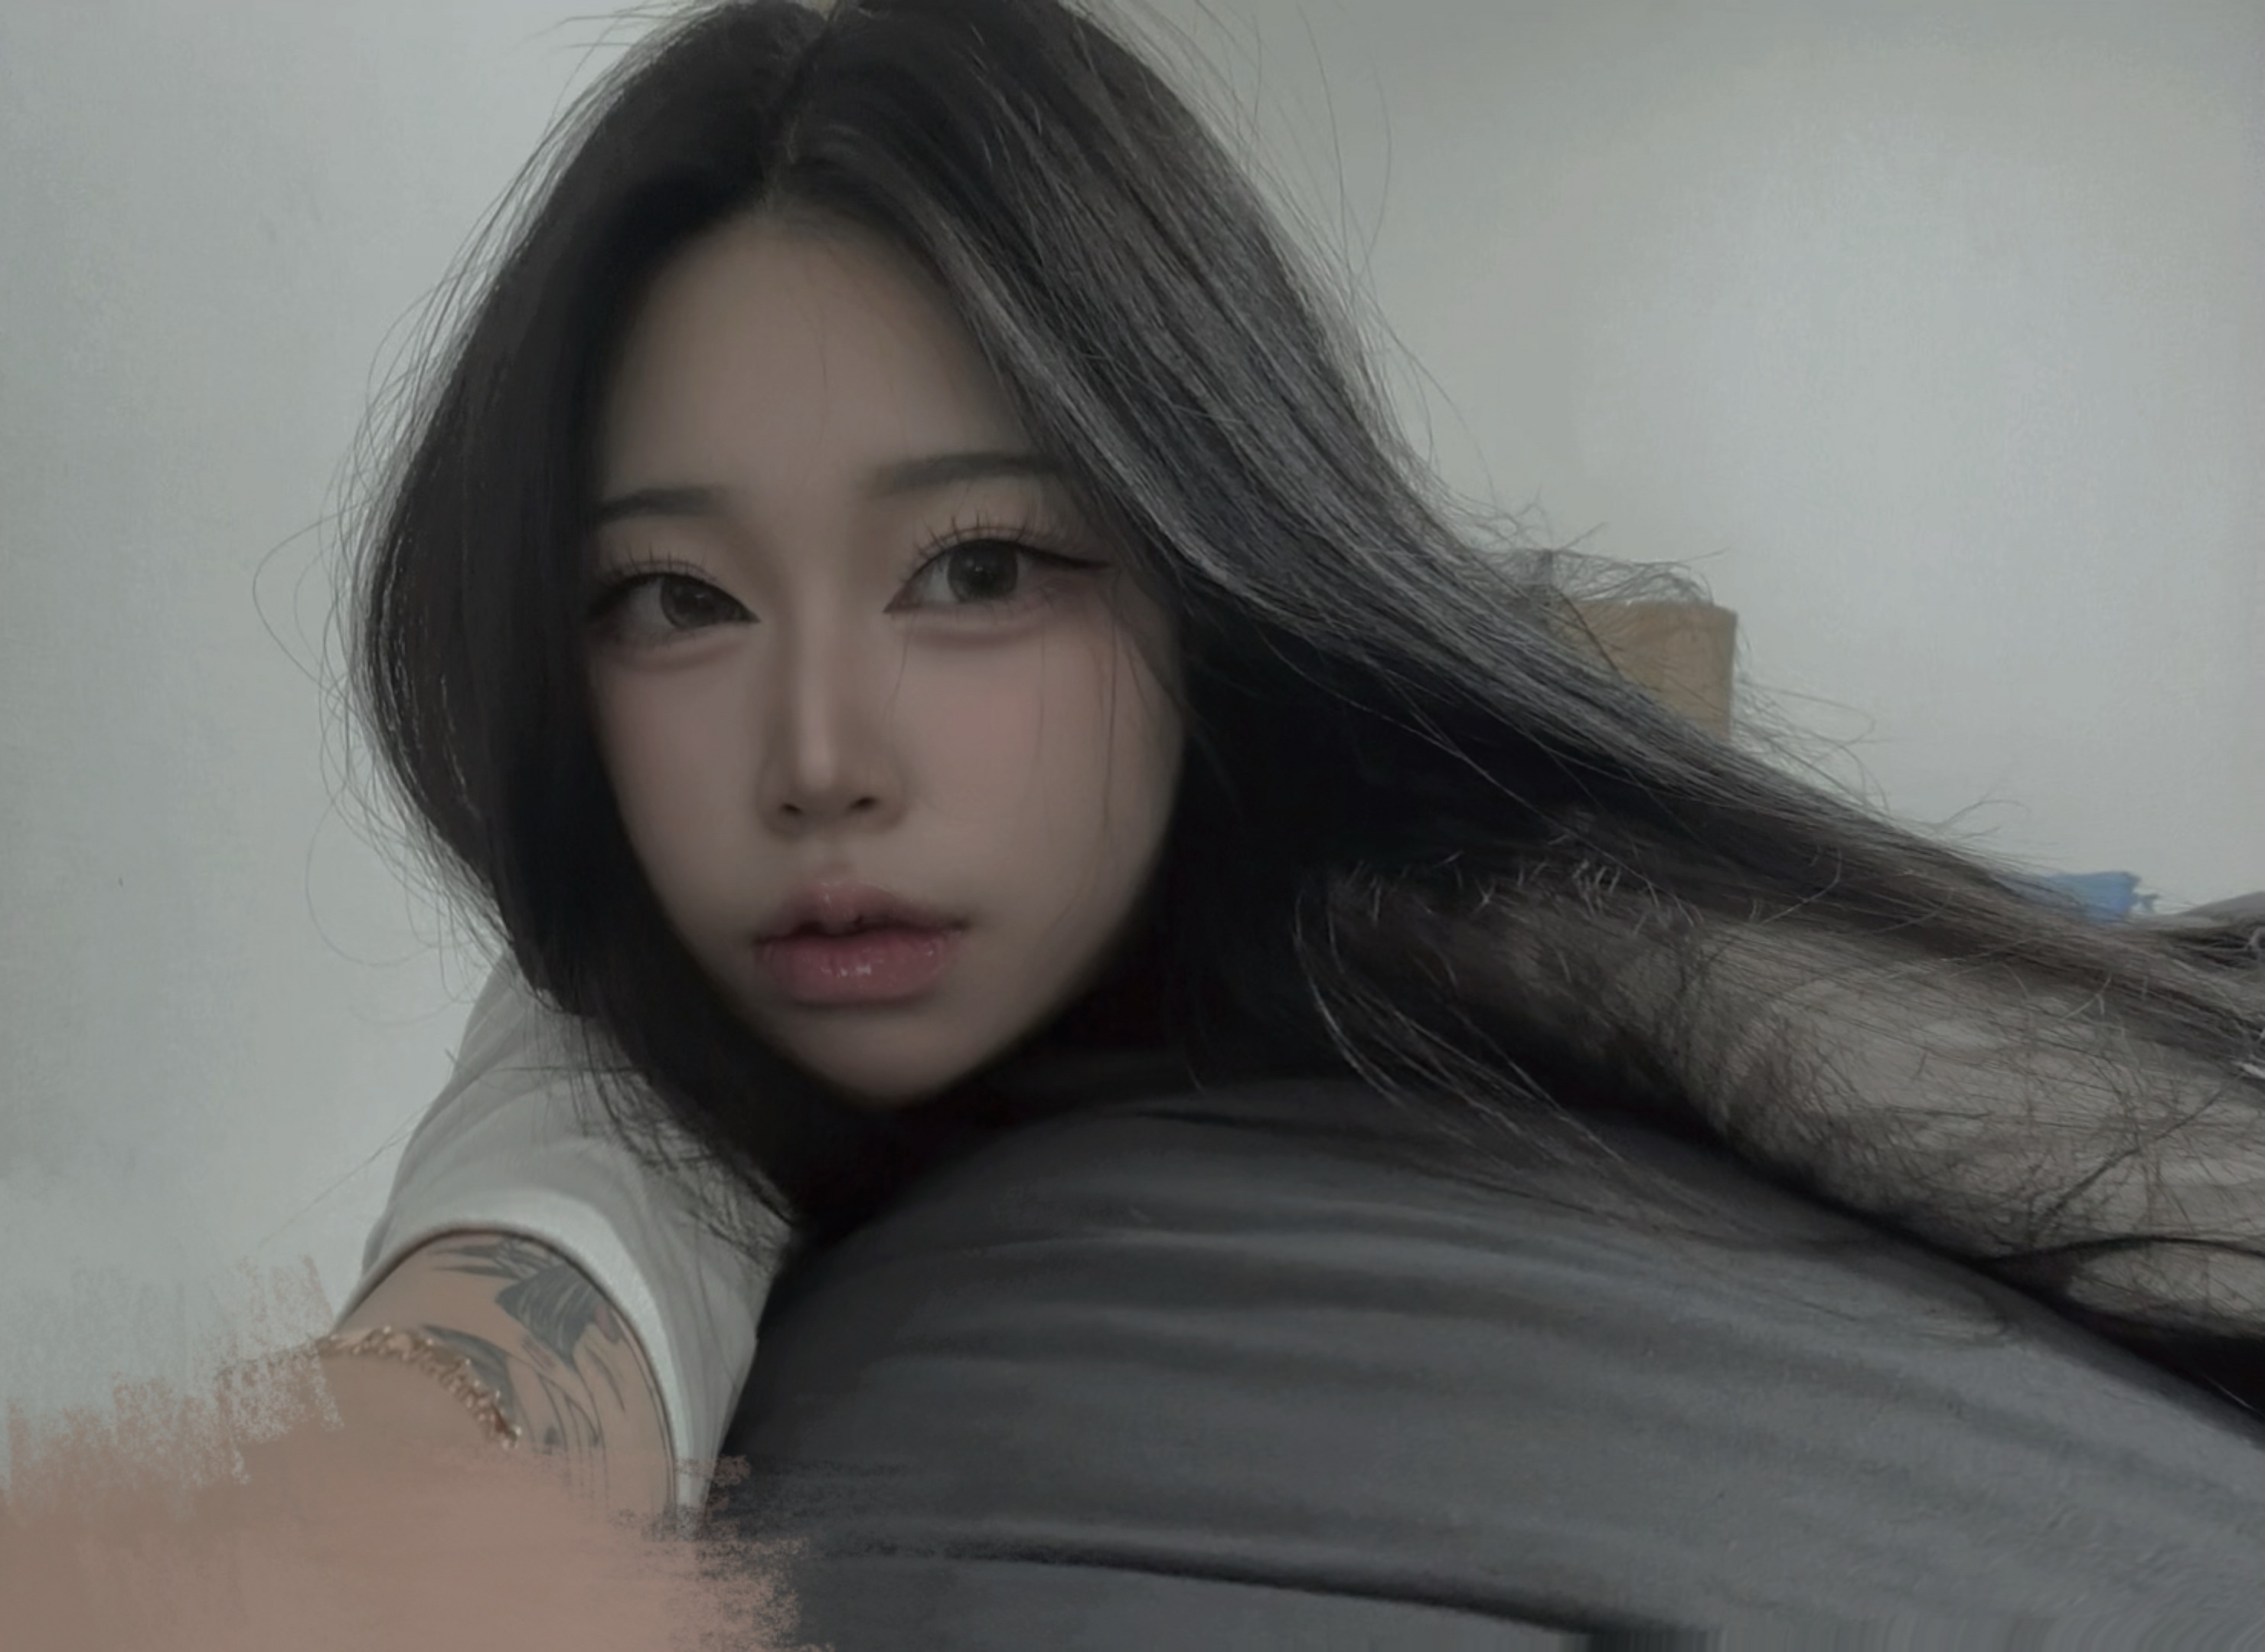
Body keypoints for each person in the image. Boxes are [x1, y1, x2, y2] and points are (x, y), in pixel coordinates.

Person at [317, 0, 2265, 1539]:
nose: (819, 762)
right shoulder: (621, 1016)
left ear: (1200, 568)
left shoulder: (1490, 883)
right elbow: (540, 1264)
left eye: (978, 569)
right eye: (675, 598)